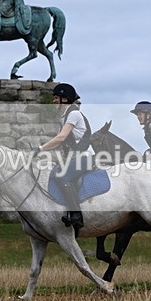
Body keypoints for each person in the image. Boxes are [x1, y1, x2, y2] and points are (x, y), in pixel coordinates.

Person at [34, 83, 91, 231]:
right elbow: (61, 144)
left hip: (85, 157)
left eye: (55, 98)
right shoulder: (64, 117)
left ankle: (76, 214)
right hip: (74, 158)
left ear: (65, 99)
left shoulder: (74, 114)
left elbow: (60, 138)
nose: (53, 101)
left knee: (62, 177)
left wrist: (40, 149)